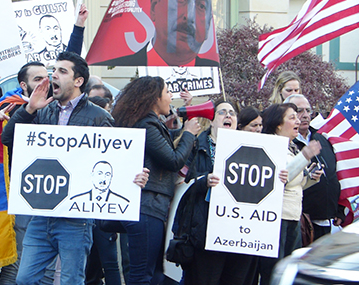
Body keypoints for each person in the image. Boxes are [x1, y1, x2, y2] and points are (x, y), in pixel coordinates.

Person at [2, 51, 149, 285]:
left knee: (71, 280)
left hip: (75, 219)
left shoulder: (99, 117)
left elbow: (117, 160)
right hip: (42, 214)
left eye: (62, 71)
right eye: (54, 71)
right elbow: (7, 139)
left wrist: (134, 177)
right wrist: (29, 109)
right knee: (24, 279)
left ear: (78, 81)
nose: (53, 76)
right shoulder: (42, 110)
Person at [112, 76, 200, 284]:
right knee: (142, 275)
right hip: (147, 207)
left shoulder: (149, 124)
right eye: (167, 92)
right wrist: (188, 134)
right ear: (154, 97)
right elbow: (173, 160)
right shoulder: (147, 125)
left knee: (151, 274)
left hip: (150, 207)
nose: (171, 97)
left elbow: (167, 147)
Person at [174, 100, 258, 285]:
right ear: (211, 121)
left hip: (239, 234)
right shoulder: (197, 147)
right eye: (222, 112)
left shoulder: (253, 148)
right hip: (205, 231)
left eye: (232, 113)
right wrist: (204, 181)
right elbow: (180, 182)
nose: (228, 115)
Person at [259, 103, 323, 285]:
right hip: (276, 219)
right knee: (274, 271)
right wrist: (305, 156)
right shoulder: (270, 146)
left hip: (293, 217)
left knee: (288, 271)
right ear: (278, 124)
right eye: (292, 117)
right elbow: (280, 179)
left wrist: (310, 178)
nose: (299, 120)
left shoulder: (291, 148)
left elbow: (294, 184)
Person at [100, 0, 218, 67]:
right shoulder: (126, 65)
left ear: (209, 24)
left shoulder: (215, 73)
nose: (190, 16)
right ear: (154, 6)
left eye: (201, 6)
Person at [284, 94, 345, 240]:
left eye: (308, 111)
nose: (305, 115)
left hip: (327, 219)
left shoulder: (322, 139)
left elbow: (334, 174)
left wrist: (339, 209)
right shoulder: (286, 143)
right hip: (301, 221)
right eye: (299, 111)